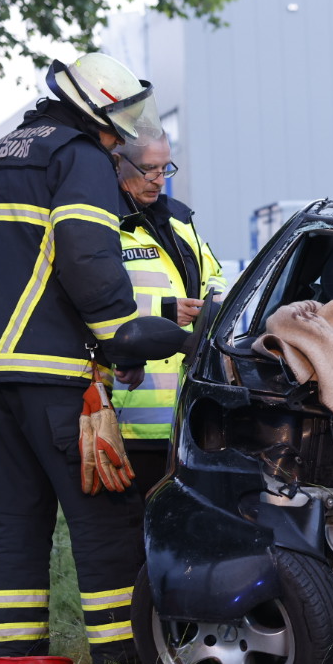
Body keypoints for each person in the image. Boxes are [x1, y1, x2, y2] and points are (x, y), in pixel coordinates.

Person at [0, 52, 163, 664]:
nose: (123, 131)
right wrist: (122, 335)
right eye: (120, 117)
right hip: (54, 375)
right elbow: (88, 256)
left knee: (15, 519)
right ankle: (125, 663)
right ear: (94, 109)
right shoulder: (79, 158)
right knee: (103, 513)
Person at [109, 132, 225, 498]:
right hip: (129, 417)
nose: (160, 179)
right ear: (117, 164)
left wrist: (213, 305)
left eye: (165, 168)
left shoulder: (180, 220)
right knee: (126, 538)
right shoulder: (99, 223)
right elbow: (94, 302)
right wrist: (163, 312)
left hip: (187, 417)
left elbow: (216, 281)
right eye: (148, 169)